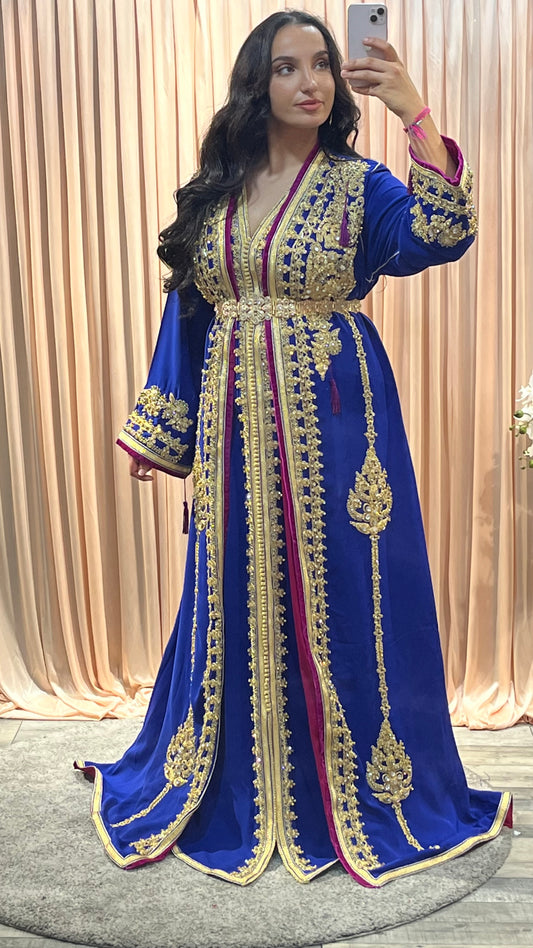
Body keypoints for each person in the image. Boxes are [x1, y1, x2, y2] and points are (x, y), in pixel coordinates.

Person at [75, 9, 511, 886]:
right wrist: (161, 429)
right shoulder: (217, 191)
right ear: (258, 81)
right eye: (286, 67)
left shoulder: (359, 184)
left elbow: (442, 233)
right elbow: (189, 309)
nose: (309, 82)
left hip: (340, 422)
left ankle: (353, 789)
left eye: (320, 65)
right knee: (235, 588)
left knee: (350, 588)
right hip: (232, 424)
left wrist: (414, 113)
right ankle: (235, 785)